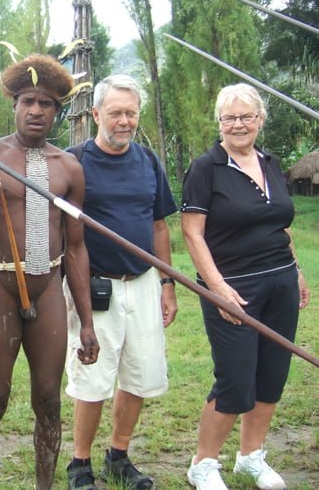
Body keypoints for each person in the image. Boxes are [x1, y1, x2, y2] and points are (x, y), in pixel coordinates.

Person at [0, 53, 99, 490]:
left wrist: (87, 322)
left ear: (57, 111)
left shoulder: (68, 167)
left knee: (50, 400)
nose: (36, 111)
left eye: (46, 104)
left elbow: (76, 248)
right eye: (28, 102)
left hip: (48, 289)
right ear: (14, 105)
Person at [182, 83, 310, 490]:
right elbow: (192, 234)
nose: (238, 125)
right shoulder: (206, 168)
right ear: (219, 122)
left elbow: (280, 225)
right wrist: (217, 288)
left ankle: (251, 456)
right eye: (229, 118)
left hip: (280, 282)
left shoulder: (271, 162)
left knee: (272, 375)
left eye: (246, 117)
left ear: (260, 120)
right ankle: (203, 464)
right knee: (235, 380)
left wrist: (296, 270)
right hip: (234, 288)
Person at [64, 74, 178, 490]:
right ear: (96, 114)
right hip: (94, 287)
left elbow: (159, 226)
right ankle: (80, 463)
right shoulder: (74, 161)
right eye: (116, 113)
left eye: (131, 113)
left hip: (143, 282)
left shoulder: (148, 160)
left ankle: (118, 455)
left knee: (141, 372)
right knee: (92, 377)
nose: (125, 121)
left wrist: (167, 284)